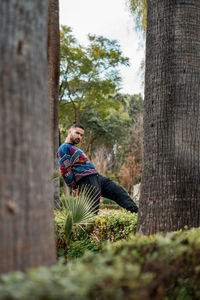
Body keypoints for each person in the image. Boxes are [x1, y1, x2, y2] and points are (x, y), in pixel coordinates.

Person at [57, 123, 138, 214]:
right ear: (69, 131)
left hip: (97, 177)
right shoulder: (63, 148)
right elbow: (65, 170)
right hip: (86, 180)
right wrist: (74, 186)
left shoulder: (74, 148)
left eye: (81, 135)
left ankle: (137, 213)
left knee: (120, 193)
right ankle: (89, 226)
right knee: (93, 210)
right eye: (77, 133)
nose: (79, 137)